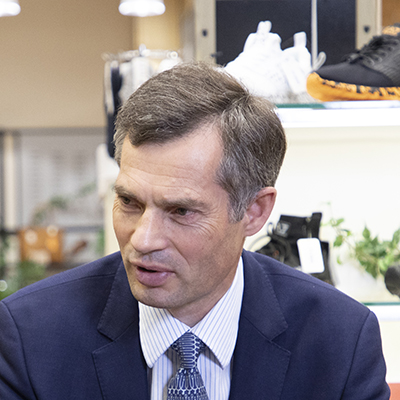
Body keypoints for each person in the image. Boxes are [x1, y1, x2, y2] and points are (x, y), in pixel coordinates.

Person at [0, 62, 389, 400]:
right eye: (130, 202)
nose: (143, 240)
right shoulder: (32, 336)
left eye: (181, 211)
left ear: (254, 211)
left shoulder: (340, 342)